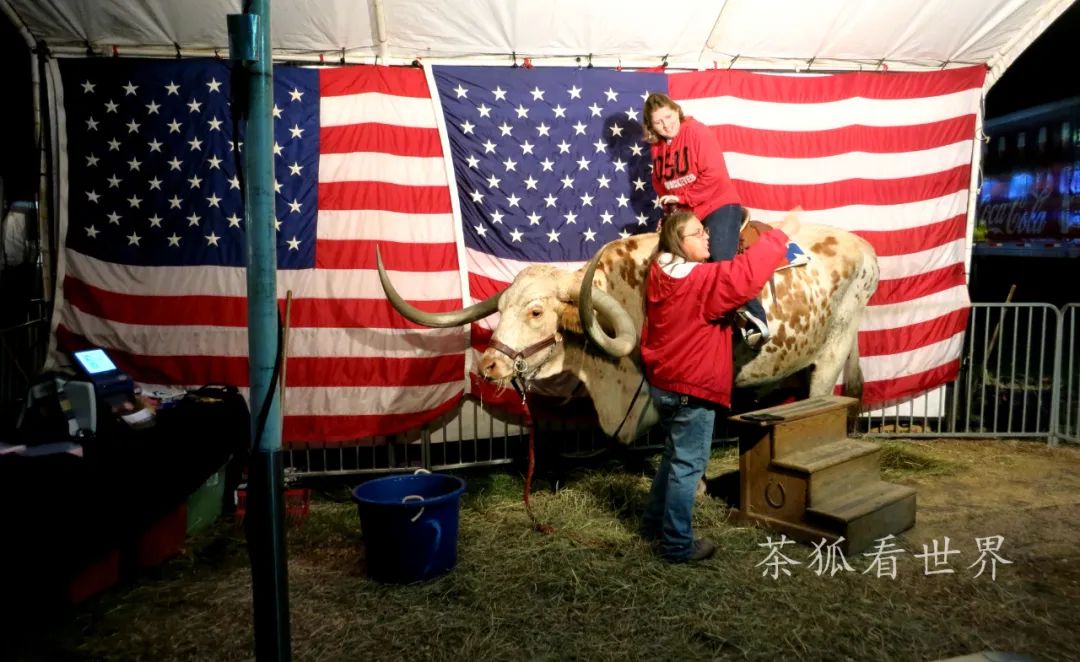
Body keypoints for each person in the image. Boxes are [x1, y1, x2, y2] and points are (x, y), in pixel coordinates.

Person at [638, 209, 800, 562]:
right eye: (697, 233)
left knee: (673, 457)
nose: (707, 236)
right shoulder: (699, 281)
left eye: (705, 231)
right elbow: (743, 277)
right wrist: (781, 234)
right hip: (691, 390)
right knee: (688, 466)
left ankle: (653, 524)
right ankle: (678, 546)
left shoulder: (658, 271)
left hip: (665, 385)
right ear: (677, 243)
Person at [642, 92, 771, 349]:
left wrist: (681, 197)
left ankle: (754, 317)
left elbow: (713, 176)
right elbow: (660, 183)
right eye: (658, 122)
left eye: (668, 117)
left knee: (720, 256)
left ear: (676, 111)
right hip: (686, 213)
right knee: (663, 261)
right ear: (651, 126)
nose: (666, 125)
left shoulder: (698, 133)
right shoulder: (656, 149)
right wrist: (671, 211)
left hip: (716, 203)